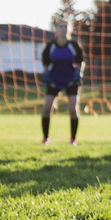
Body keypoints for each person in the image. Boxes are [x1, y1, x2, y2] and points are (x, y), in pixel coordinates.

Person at [39, 13, 85, 146]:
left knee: (72, 109)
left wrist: (79, 73)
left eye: (65, 26)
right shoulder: (50, 46)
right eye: (60, 26)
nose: (63, 29)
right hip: (54, 80)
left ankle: (73, 139)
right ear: (56, 29)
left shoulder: (74, 45)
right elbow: (46, 63)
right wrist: (46, 74)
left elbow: (81, 61)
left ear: (69, 29)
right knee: (47, 108)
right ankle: (46, 138)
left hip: (71, 80)